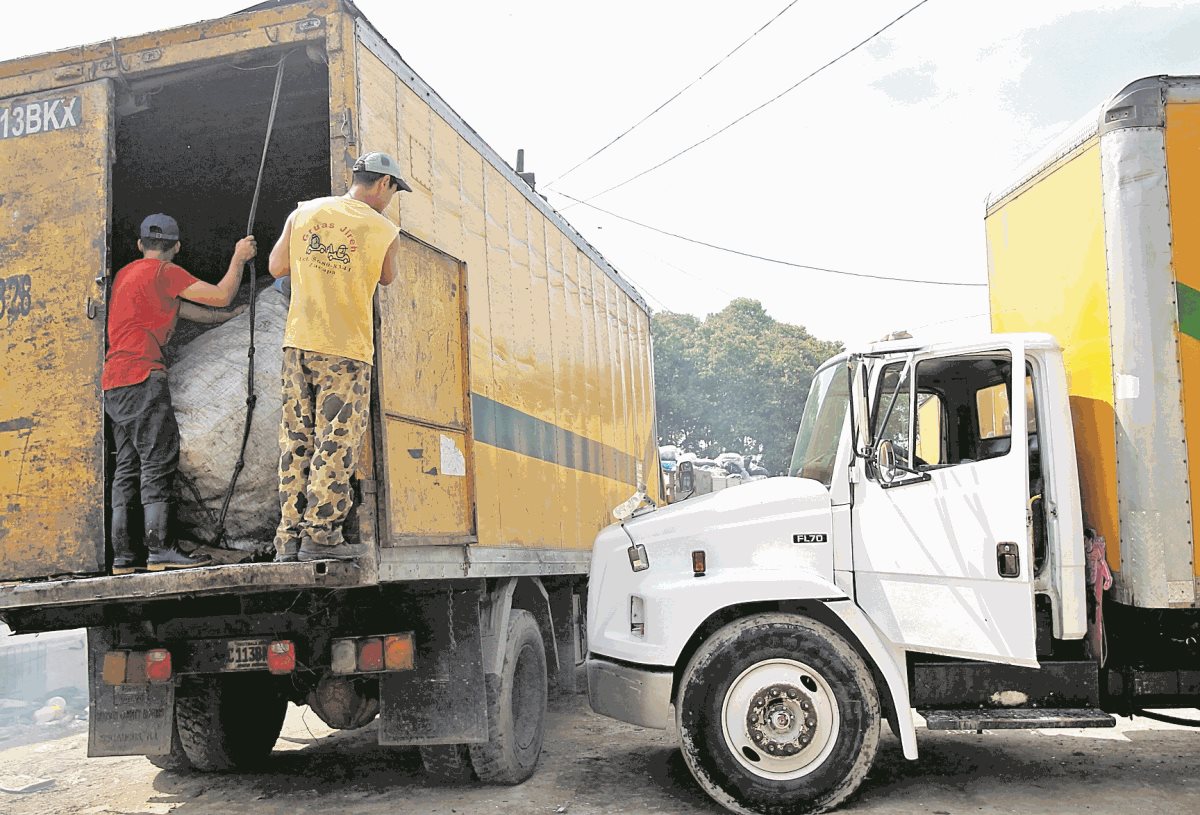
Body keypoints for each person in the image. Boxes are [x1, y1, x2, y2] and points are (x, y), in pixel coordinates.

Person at [268, 152, 410, 562]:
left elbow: (278, 266)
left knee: (296, 439)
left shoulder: (305, 212)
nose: (392, 200)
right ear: (383, 184)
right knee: (336, 441)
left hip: (298, 343)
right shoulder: (383, 229)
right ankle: (321, 534)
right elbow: (387, 276)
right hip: (345, 351)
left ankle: (288, 540)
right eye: (394, 191)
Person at [104, 214, 257, 572]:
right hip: (144, 377)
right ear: (176, 247)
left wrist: (229, 317)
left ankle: (125, 557)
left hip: (115, 382)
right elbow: (219, 296)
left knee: (127, 467)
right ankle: (161, 550)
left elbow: (186, 310)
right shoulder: (165, 273)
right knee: (158, 462)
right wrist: (238, 257)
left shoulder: (126, 275)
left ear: (140, 245)